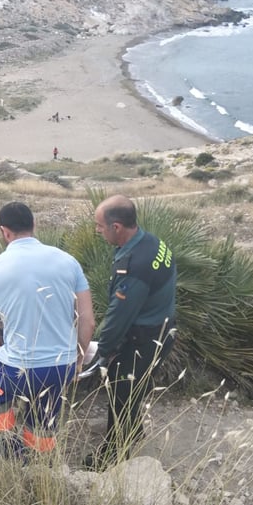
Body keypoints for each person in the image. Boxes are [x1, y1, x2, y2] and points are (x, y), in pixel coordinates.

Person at [0, 202, 95, 460]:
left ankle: (8, 447)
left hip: (18, 368)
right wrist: (77, 359)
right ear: (34, 225)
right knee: (45, 408)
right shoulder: (69, 262)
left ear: (4, 232)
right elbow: (88, 321)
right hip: (60, 365)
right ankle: (39, 460)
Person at [85, 194, 178, 471]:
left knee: (121, 391)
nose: (97, 230)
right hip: (161, 328)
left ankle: (113, 454)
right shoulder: (151, 242)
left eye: (100, 226)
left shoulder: (135, 265)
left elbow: (119, 315)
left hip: (145, 338)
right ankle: (134, 431)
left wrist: (101, 351)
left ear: (116, 227)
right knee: (133, 389)